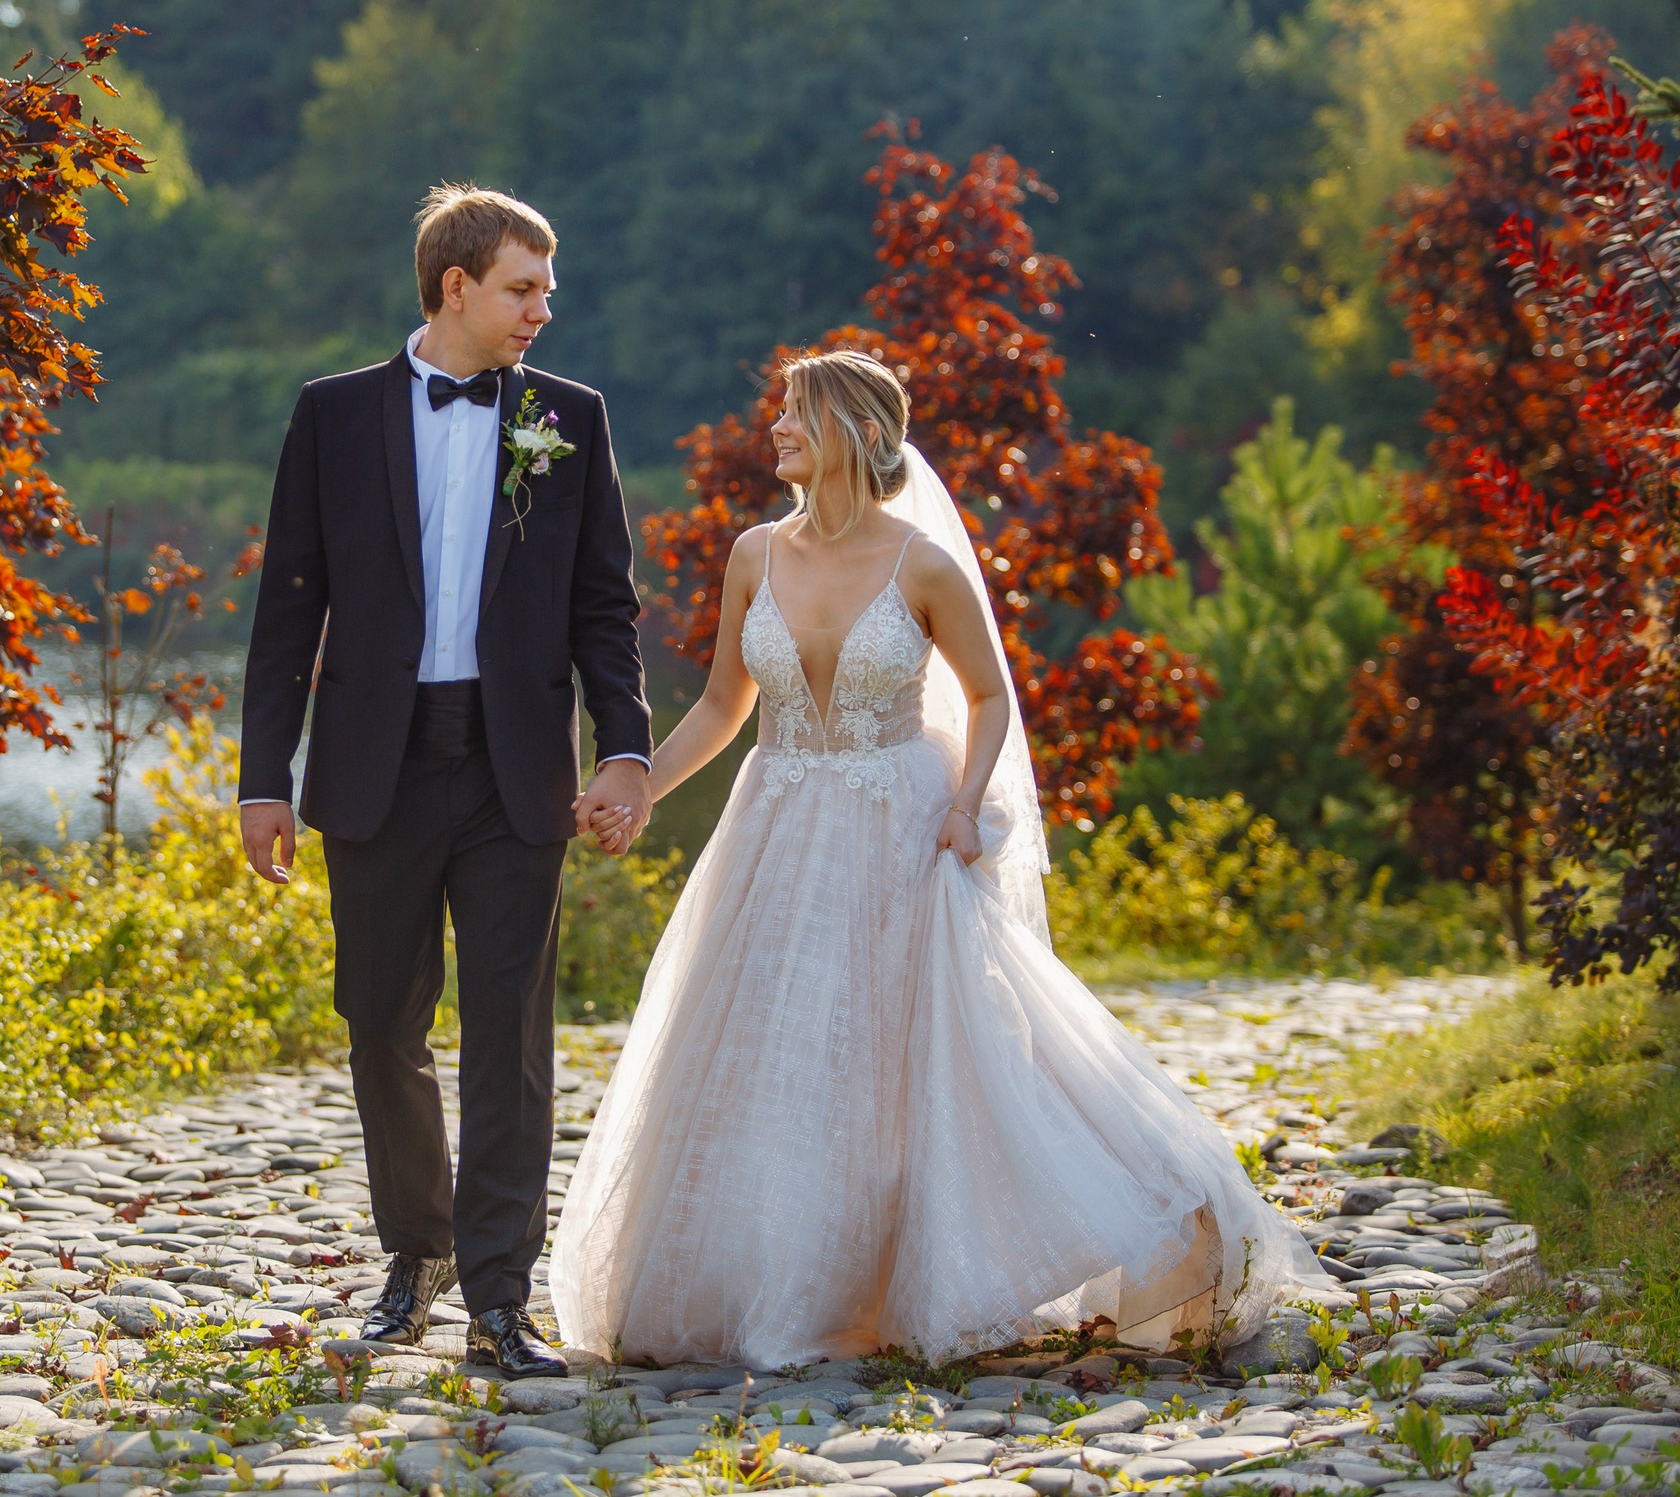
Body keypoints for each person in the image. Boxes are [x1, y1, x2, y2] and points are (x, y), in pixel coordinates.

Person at [548, 351, 1326, 1370]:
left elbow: (990, 695)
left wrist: (965, 806)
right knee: (775, 1053)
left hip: (899, 826)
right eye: (780, 410)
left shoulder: (922, 565)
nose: (776, 426)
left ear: (860, 434)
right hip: (776, 826)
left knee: (905, 1055)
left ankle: (1128, 1222)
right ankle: (771, 1282)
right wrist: (640, 785)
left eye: (797, 412)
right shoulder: (753, 553)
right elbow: (724, 704)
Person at [237, 185, 655, 1379]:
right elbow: (288, 612)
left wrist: (625, 749)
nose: (542, 310)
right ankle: (416, 1254)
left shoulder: (570, 418)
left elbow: (603, 607)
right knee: (381, 1023)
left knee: (510, 1037)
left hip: (514, 766)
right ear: (454, 286)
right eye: (523, 288)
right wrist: (264, 777)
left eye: (547, 290)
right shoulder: (331, 414)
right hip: (374, 761)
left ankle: (500, 1298)